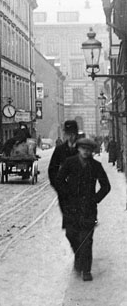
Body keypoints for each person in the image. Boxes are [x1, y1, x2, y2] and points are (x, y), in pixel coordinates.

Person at [55, 137, 111, 281]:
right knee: (71, 235)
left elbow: (106, 186)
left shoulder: (96, 166)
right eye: (83, 148)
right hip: (71, 207)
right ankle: (78, 257)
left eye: (89, 149)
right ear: (78, 149)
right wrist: (67, 194)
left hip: (88, 208)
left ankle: (86, 270)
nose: (86, 152)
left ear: (92, 151)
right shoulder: (69, 163)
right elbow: (59, 181)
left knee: (86, 239)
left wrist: (95, 199)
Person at [48, 119, 79, 190]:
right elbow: (52, 170)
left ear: (75, 134)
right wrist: (59, 187)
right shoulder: (60, 150)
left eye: (71, 134)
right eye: (67, 133)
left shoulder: (82, 149)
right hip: (64, 191)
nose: (69, 136)